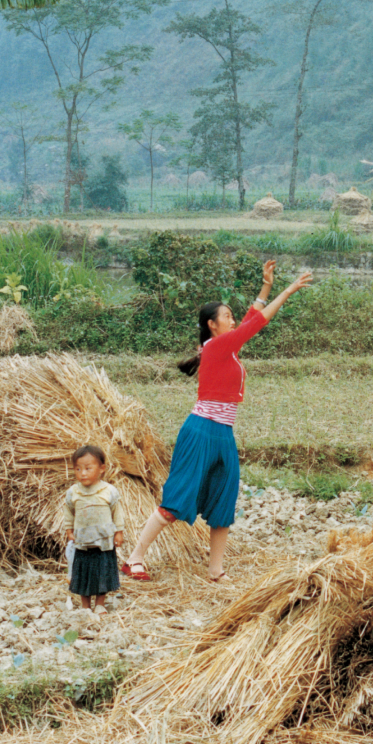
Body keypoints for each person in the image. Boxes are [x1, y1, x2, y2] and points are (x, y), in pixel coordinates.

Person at [120, 259, 312, 584]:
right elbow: (258, 322)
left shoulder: (226, 348)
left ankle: (215, 570)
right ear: (212, 324)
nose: (233, 320)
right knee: (177, 500)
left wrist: (266, 285)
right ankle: (134, 558)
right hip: (201, 432)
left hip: (223, 434)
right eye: (227, 316)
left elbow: (251, 317)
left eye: (231, 316)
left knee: (224, 501)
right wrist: (289, 290)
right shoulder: (219, 347)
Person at [62, 444, 125, 615]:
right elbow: (69, 512)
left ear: (102, 469)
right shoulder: (73, 492)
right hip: (82, 541)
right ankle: (85, 606)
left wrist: (119, 532)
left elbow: (116, 512)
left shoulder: (109, 491)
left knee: (102, 572)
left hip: (103, 541)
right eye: (78, 469)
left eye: (88, 468)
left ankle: (100, 604)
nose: (83, 473)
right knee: (82, 573)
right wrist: (69, 531)